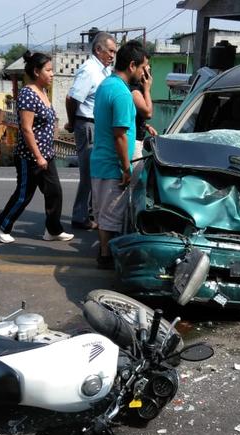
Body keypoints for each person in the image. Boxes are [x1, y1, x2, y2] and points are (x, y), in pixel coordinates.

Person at [0, 51, 73, 244]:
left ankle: (53, 230)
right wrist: (38, 157)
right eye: (49, 70)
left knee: (54, 192)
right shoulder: (28, 93)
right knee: (23, 195)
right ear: (37, 71)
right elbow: (26, 129)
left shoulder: (43, 91)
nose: (52, 74)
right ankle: (1, 225)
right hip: (30, 156)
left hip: (47, 154)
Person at [90, 40, 147, 269]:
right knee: (113, 216)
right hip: (113, 164)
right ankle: (108, 256)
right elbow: (120, 136)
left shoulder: (106, 84)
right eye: (143, 67)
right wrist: (126, 168)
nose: (144, 73)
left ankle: (104, 254)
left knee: (104, 214)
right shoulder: (123, 94)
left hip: (100, 161)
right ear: (132, 65)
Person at [64, 31, 117, 230]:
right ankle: (79, 217)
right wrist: (72, 122)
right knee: (88, 173)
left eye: (114, 52)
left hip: (97, 125)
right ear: (98, 50)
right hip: (86, 123)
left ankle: (90, 213)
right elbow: (72, 98)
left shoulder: (104, 70)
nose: (112, 55)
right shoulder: (89, 70)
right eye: (110, 51)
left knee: (96, 171)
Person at [129, 51, 158, 160]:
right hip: (134, 141)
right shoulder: (134, 90)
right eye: (144, 67)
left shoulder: (138, 87)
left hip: (137, 139)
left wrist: (146, 126)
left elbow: (134, 116)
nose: (148, 69)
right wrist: (147, 89)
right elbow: (148, 113)